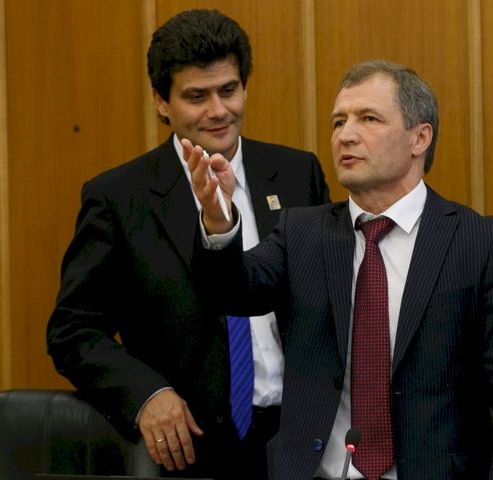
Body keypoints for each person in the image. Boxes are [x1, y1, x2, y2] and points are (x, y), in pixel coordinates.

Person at [187, 60, 493, 479]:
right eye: (338, 121)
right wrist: (217, 220)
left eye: (369, 119)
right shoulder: (302, 233)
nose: (345, 135)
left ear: (420, 138)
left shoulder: (481, 244)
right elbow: (230, 291)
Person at [46, 8, 329, 480]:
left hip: (299, 441)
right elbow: (73, 330)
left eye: (228, 90)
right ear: (161, 101)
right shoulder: (119, 197)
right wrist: (146, 395)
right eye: (197, 96)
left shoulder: (299, 174)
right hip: (190, 451)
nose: (218, 111)